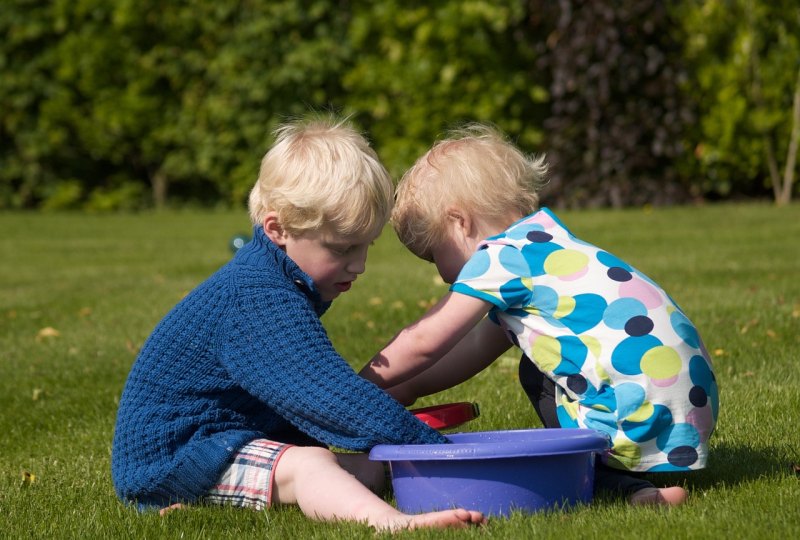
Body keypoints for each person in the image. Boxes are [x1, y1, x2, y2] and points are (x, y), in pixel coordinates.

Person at [111, 116, 486, 532]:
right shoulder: (256, 298)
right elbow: (330, 398)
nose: (359, 265)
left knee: (365, 468)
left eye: (366, 246)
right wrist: (434, 451)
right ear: (278, 229)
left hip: (224, 439)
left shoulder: (275, 278)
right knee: (312, 465)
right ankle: (395, 525)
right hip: (179, 458)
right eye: (343, 248)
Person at [360, 124, 719, 507]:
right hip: (688, 407)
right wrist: (407, 387)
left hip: (634, 407)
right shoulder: (546, 246)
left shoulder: (498, 257)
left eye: (435, 255)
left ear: (459, 222)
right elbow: (477, 346)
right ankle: (644, 468)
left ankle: (616, 483)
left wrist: (357, 386)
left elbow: (423, 342)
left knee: (535, 372)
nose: (442, 274)